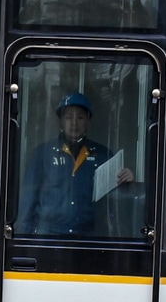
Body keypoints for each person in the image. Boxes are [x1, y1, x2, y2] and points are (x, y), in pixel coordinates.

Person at [16, 92, 133, 235]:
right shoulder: (43, 153)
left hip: (89, 236)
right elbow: (28, 200)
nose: (74, 123)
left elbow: (114, 203)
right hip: (49, 236)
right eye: (68, 117)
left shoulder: (103, 154)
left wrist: (126, 182)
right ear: (60, 120)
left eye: (80, 117)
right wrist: (25, 237)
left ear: (88, 121)